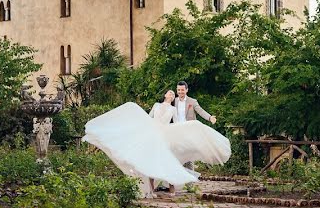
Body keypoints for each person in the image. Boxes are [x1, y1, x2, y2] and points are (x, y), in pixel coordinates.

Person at [83, 85, 230, 198]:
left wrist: (187, 127)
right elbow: (148, 118)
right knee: (150, 159)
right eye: (170, 92)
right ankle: (151, 190)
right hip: (152, 133)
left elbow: (177, 122)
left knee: (168, 159)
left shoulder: (173, 109)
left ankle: (171, 188)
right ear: (165, 95)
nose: (172, 94)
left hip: (164, 134)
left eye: (174, 93)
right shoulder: (156, 105)